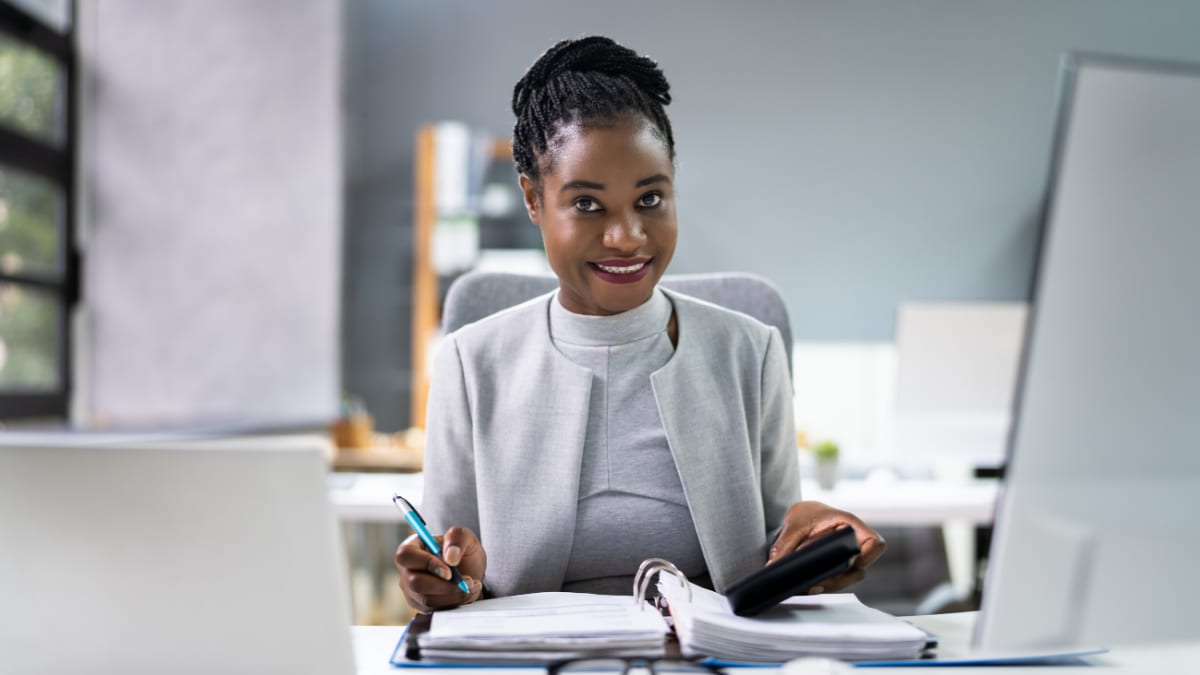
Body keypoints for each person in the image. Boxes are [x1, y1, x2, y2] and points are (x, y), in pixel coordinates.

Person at [395, 35, 885, 613]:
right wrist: (449, 583)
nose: (626, 235)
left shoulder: (751, 351)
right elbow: (451, 576)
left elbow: (776, 560)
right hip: (531, 659)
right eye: (586, 204)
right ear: (532, 199)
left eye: (650, 199)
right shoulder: (468, 361)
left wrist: (813, 545)